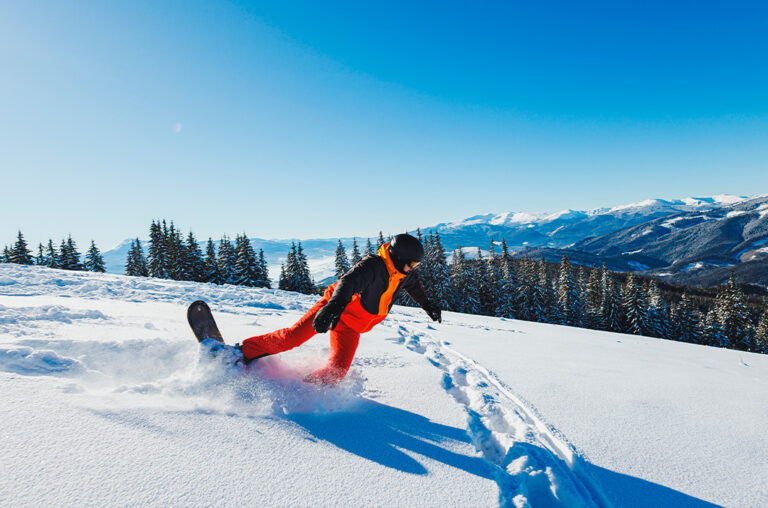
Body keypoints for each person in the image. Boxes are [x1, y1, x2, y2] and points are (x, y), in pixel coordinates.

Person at [238, 233, 442, 385]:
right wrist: (333, 306)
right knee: (292, 338)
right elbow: (348, 282)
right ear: (398, 258)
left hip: (351, 326)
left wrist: (427, 305)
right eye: (411, 263)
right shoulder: (373, 266)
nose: (413, 268)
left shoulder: (403, 273)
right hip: (333, 309)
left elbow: (414, 286)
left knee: (337, 372)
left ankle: (305, 390)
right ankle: (243, 351)